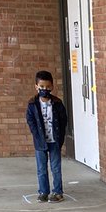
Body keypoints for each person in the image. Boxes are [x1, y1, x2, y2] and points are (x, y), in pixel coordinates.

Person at [25, 70, 68, 203]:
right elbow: (30, 120)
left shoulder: (57, 103)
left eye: (48, 87)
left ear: (52, 87)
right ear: (36, 87)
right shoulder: (32, 104)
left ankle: (58, 192)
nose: (45, 89)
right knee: (41, 169)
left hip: (54, 140)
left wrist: (60, 138)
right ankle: (43, 191)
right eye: (42, 86)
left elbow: (63, 121)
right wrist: (36, 134)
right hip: (40, 141)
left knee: (56, 168)